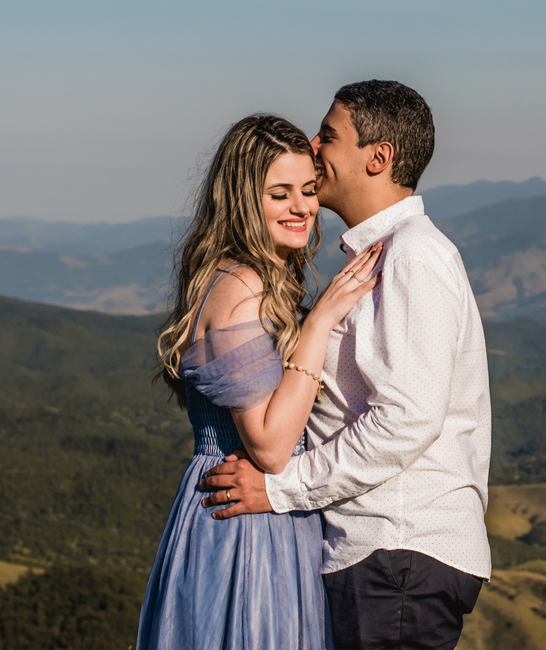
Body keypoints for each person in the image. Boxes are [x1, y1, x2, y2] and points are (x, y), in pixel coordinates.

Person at [200, 81, 493, 650]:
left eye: (329, 135)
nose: (314, 145)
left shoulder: (413, 255)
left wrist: (282, 490)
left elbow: (407, 419)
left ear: (378, 157)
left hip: (398, 549)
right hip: (381, 553)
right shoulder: (384, 254)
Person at [137, 114, 383, 650]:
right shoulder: (242, 284)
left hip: (265, 510)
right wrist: (319, 323)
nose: (301, 207)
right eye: (280, 194)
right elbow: (270, 447)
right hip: (240, 515)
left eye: (308, 189)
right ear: (244, 199)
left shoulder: (258, 276)